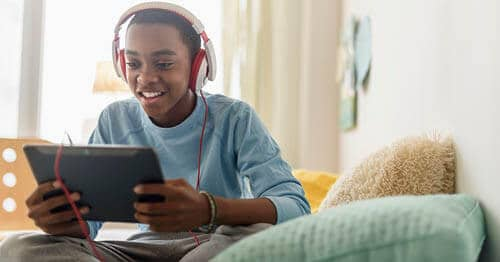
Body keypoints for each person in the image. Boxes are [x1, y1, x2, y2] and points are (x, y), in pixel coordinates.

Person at [0, 2, 310, 261]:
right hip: (140, 251)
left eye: (163, 64)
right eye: (133, 64)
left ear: (197, 66)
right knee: (18, 248)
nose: (145, 78)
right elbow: (88, 230)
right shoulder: (114, 119)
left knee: (257, 234)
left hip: (213, 248)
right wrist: (61, 221)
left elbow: (295, 206)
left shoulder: (235, 118)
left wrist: (208, 209)